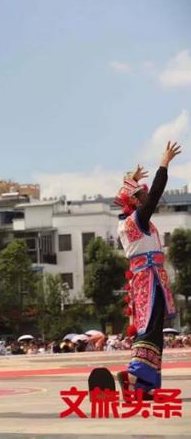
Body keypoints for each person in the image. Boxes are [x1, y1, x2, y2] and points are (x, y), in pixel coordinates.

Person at [114, 142, 181, 398]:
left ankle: (143, 386)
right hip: (149, 279)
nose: (146, 198)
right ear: (134, 202)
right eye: (140, 196)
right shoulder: (138, 220)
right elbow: (154, 194)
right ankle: (133, 374)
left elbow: (131, 196)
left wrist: (130, 179)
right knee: (151, 329)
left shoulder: (128, 223)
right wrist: (163, 164)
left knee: (152, 328)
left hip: (145, 278)